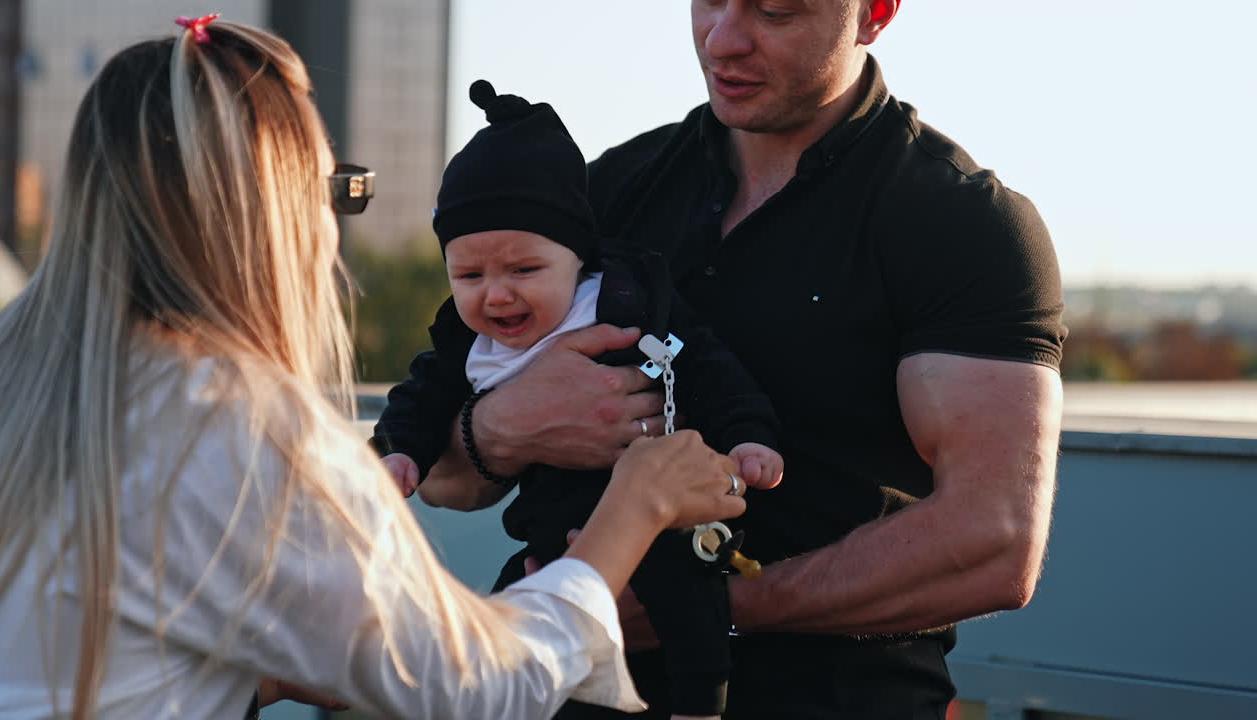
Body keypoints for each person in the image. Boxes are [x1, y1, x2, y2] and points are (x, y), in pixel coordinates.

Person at [0, 17, 751, 720]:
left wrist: (254, 679)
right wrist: (634, 508)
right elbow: (483, 689)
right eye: (339, 191)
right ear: (276, 214)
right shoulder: (247, 430)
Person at [417, 1, 1068, 718]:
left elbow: (994, 544)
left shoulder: (960, 222)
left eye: (775, 10)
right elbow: (442, 478)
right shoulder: (596, 198)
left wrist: (701, 606)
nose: (723, 40)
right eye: (708, 2)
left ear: (874, 13)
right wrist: (503, 428)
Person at [371, 79, 784, 720]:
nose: (497, 296)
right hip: (549, 545)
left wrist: (751, 437)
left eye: (524, 271)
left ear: (577, 260)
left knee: (690, 600)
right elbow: (420, 398)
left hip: (660, 525)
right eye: (469, 276)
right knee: (501, 638)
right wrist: (399, 453)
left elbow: (709, 367)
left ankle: (703, 706)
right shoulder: (465, 339)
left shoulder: (629, 304)